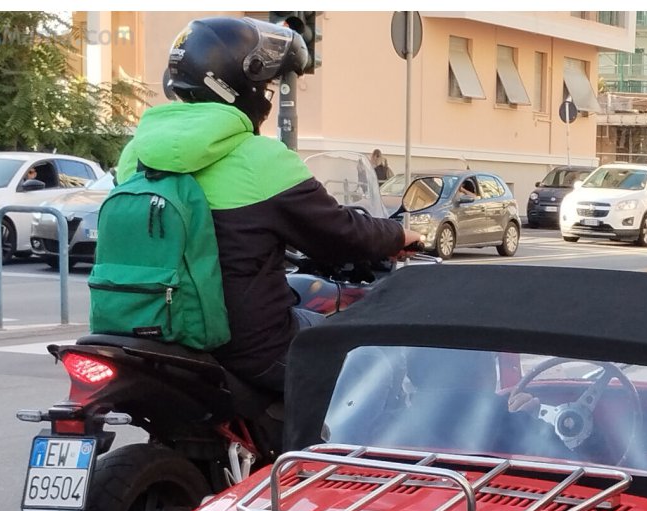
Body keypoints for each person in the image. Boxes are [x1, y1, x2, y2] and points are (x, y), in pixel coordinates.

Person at [116, 16, 421, 394]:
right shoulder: (260, 158)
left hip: (151, 334)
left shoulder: (136, 154)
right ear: (240, 85)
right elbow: (338, 233)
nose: (266, 95)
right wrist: (400, 233)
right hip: (249, 346)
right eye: (265, 85)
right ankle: (314, 452)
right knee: (375, 357)